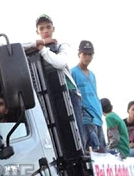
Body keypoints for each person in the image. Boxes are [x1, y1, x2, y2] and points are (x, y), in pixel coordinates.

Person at [24, 15, 84, 149]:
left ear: (53, 29)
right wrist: (38, 43)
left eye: (48, 27)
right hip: (47, 93)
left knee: (76, 133)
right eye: (41, 28)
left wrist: (42, 50)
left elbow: (59, 62)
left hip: (68, 91)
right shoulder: (33, 46)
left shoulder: (63, 45)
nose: (45, 30)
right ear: (37, 31)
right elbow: (17, 46)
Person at [71, 40, 105, 152]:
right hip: (86, 117)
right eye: (84, 54)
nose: (87, 57)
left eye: (90, 54)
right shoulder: (73, 72)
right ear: (79, 54)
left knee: (101, 150)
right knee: (90, 150)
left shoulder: (92, 74)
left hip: (97, 115)